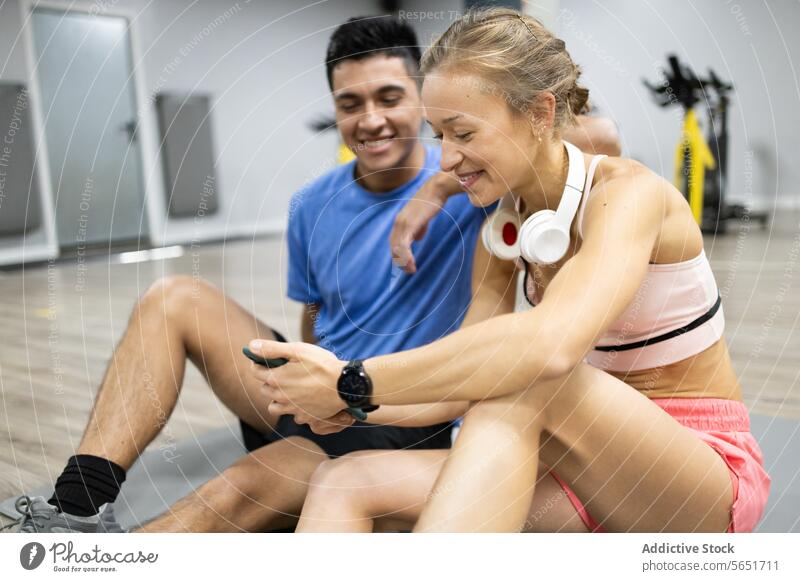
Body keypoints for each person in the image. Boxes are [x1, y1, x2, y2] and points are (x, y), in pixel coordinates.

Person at [250, 8, 771, 533]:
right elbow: (459, 390)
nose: (447, 159)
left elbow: (548, 346)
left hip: (695, 480)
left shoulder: (629, 196)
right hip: (581, 471)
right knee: (344, 479)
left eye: (464, 133)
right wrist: (353, 409)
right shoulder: (502, 232)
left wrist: (350, 381)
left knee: (528, 375)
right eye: (440, 136)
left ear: (541, 113)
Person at [7, 15, 502, 534]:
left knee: (235, 487)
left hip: (397, 416)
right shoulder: (311, 204)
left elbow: (582, 140)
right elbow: (314, 311)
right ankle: (73, 508)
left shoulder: (471, 183)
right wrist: (311, 381)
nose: (370, 119)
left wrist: (439, 188)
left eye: (389, 97)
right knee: (172, 297)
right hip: (314, 389)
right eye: (350, 104)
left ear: (423, 100)